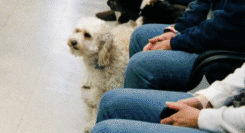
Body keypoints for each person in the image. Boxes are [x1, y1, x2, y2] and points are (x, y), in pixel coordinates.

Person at [92, 60, 245, 132]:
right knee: (111, 102)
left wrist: (201, 118)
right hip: (234, 107)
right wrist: (207, 99)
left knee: (106, 130)